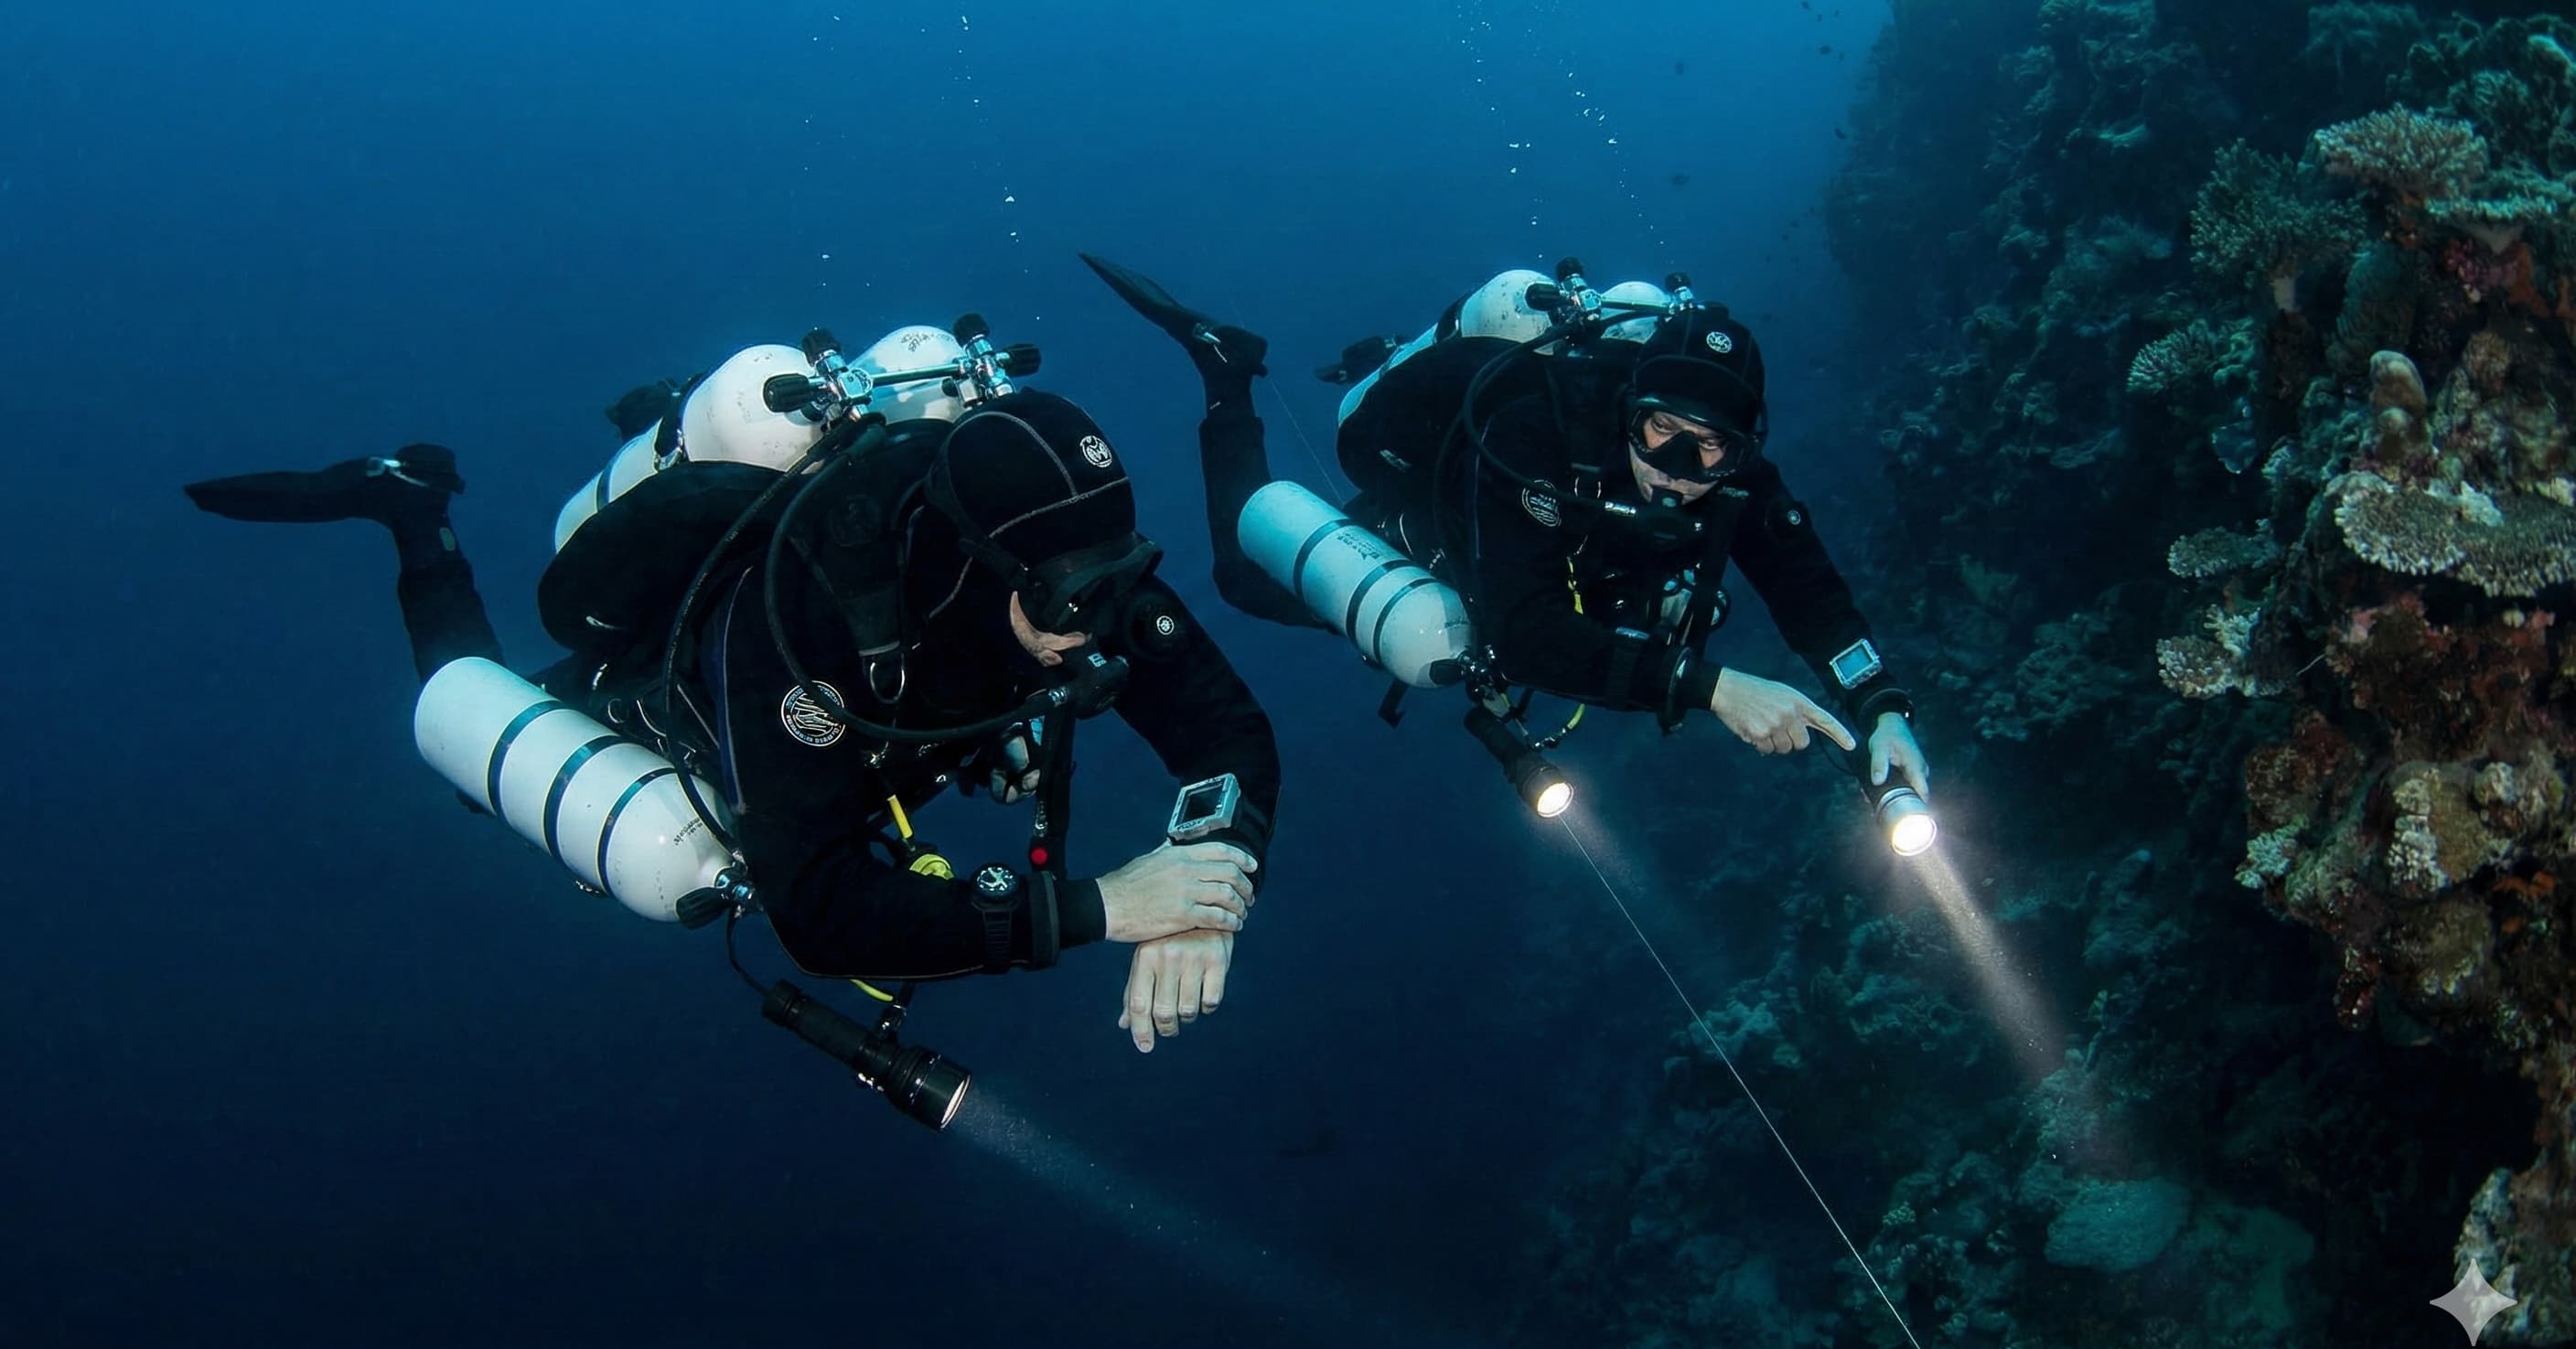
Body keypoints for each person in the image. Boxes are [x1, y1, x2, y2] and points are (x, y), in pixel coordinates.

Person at [183, 323, 1281, 1056]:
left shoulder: (1077, 558)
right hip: (689, 712)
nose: (1101, 627)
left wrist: (1206, 879)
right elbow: (819, 911)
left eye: (1119, 581)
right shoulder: (806, 621)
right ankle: (414, 515)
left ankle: (637, 423)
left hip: (908, 731)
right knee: (474, 733)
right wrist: (1103, 909)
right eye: (1071, 598)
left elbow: (1224, 729)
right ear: (974, 560)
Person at [1079, 252, 1929, 808]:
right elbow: (1522, 632)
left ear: (1742, 452)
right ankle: (1224, 374)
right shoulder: (1534, 436)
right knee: (1240, 572)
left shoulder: (1732, 478)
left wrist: (1879, 703)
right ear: (1629, 409)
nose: (1677, 464)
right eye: (1661, 430)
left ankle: (1372, 350)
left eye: (1712, 449)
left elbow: (1804, 582)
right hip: (1450, 502)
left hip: (1560, 560)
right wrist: (1714, 687)